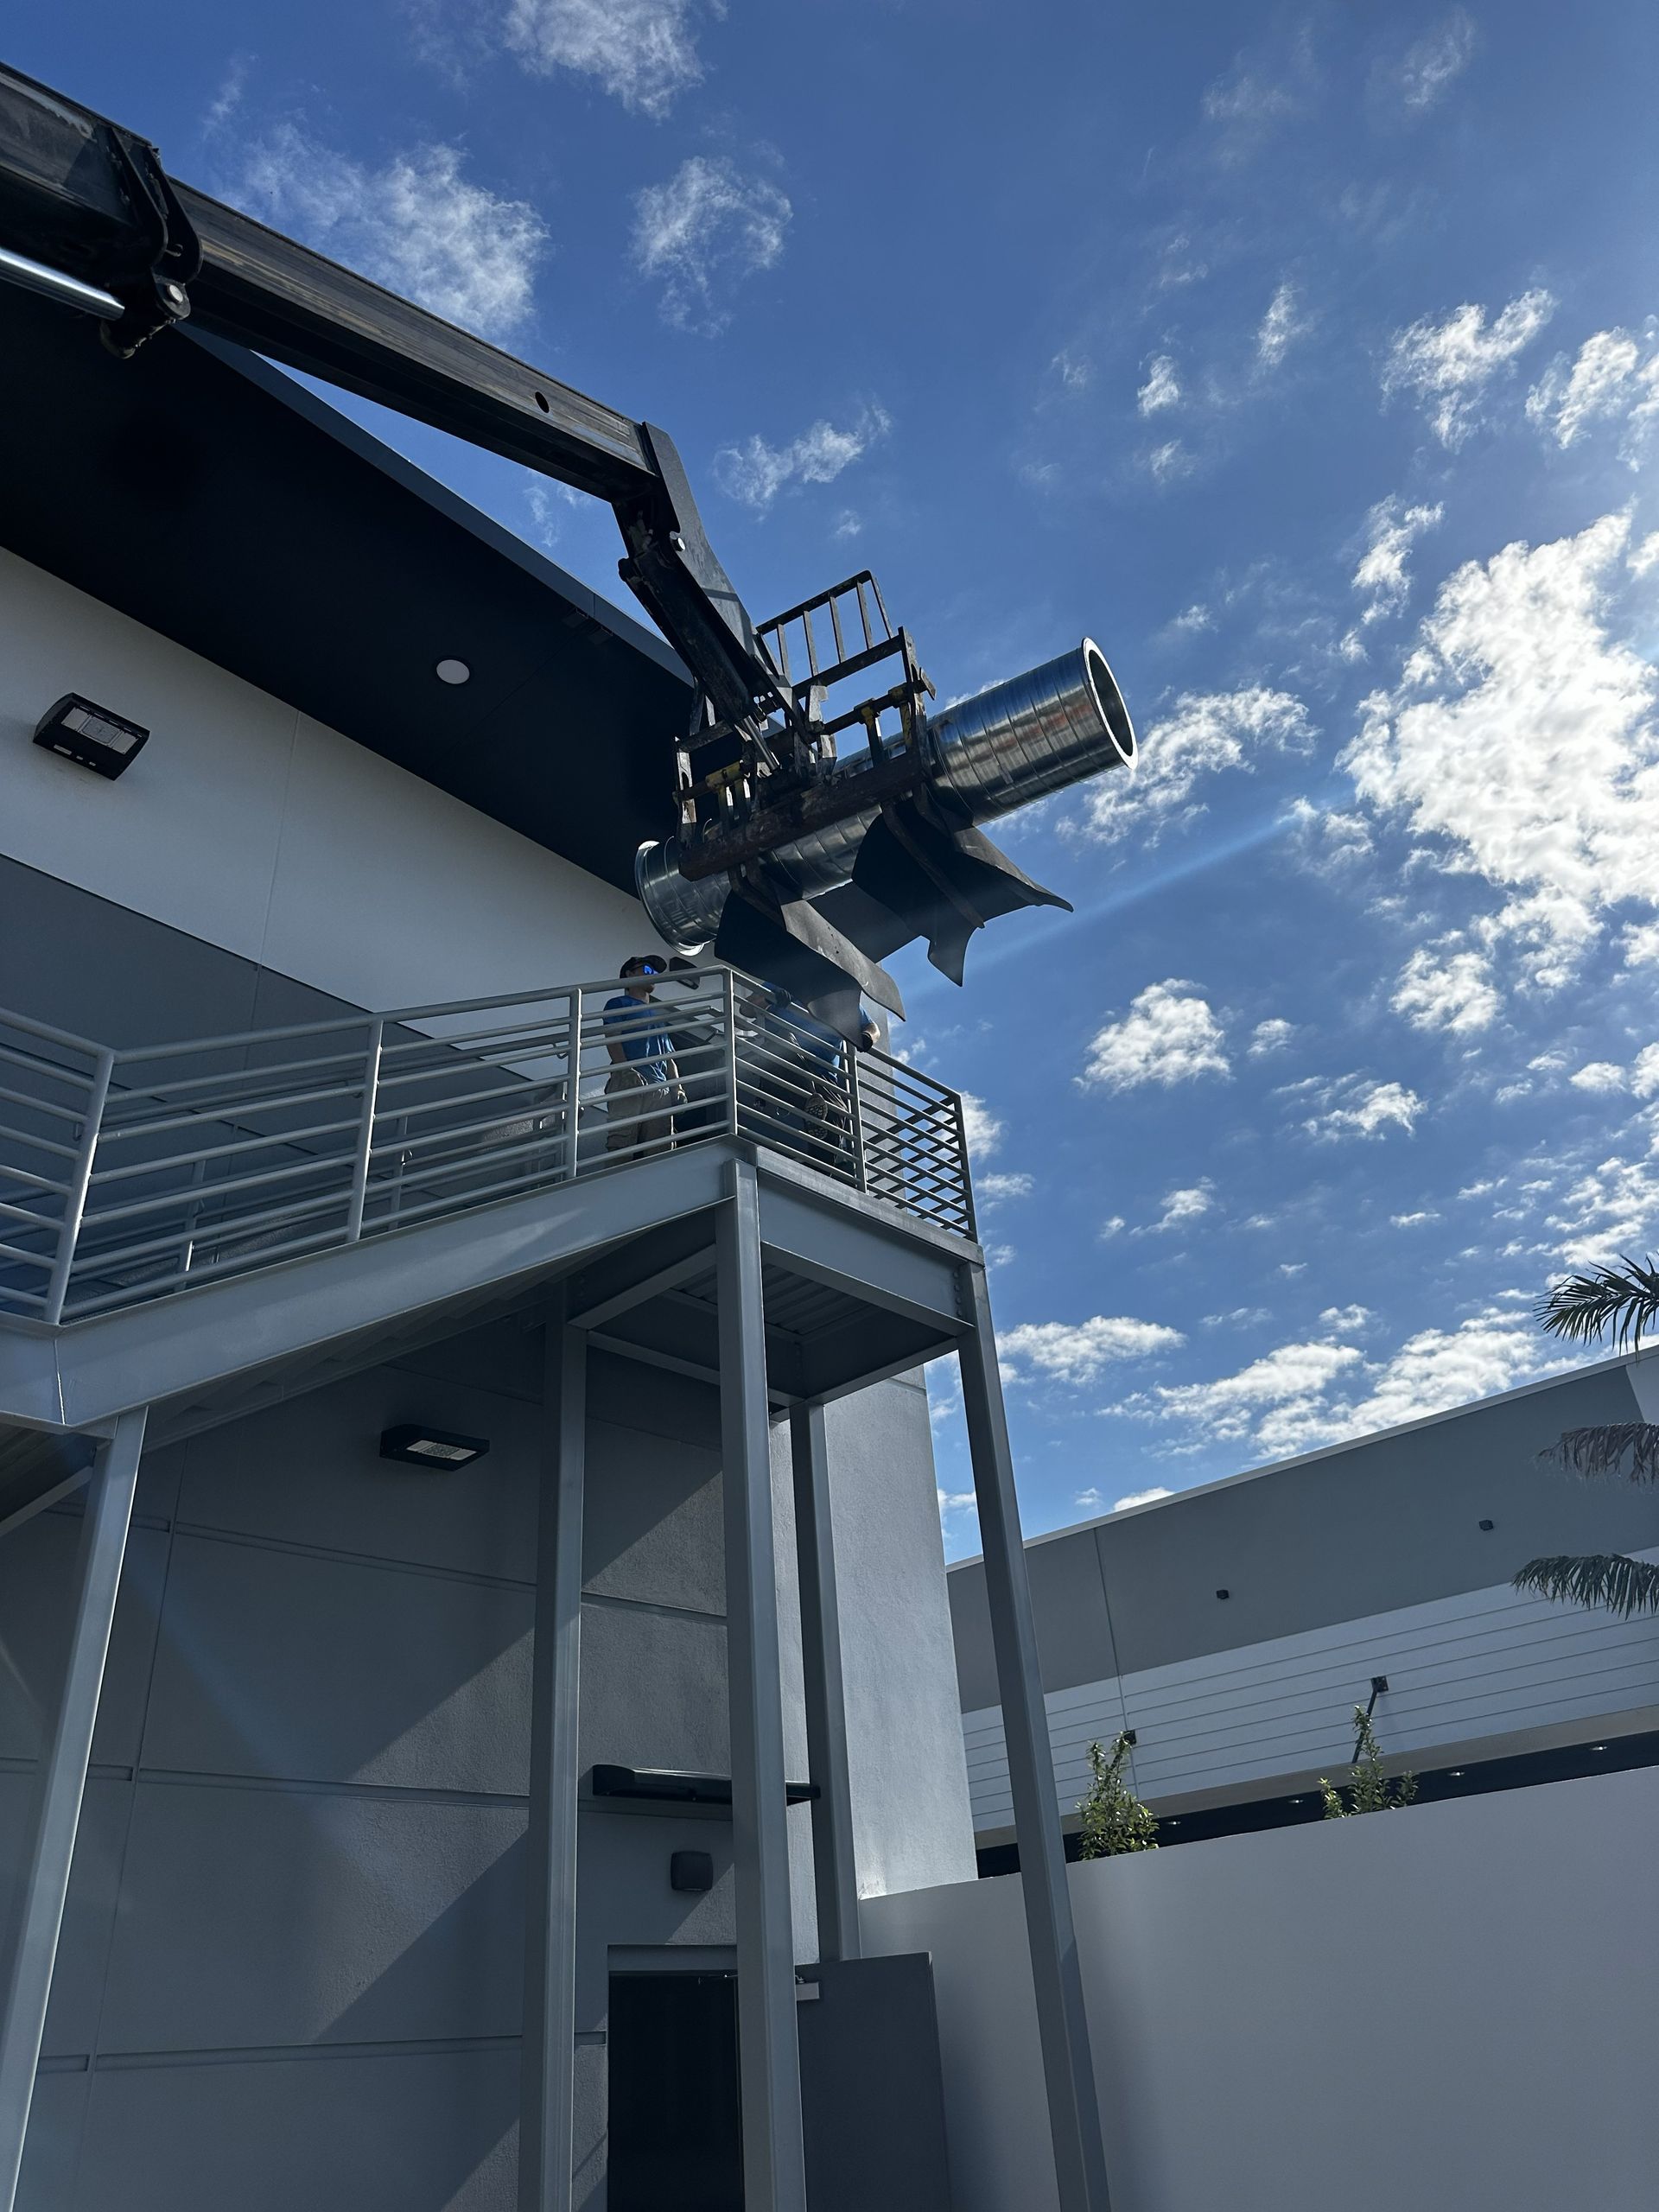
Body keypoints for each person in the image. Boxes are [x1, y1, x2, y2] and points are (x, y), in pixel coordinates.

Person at [601, 957, 682, 1160]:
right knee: (621, 1143)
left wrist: (677, 1087)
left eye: (655, 972)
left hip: (659, 1087)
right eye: (647, 969)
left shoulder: (657, 1017)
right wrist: (625, 1070)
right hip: (629, 1080)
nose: (652, 975)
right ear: (629, 975)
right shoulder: (618, 1003)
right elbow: (613, 1038)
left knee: (661, 1149)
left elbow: (669, 1057)